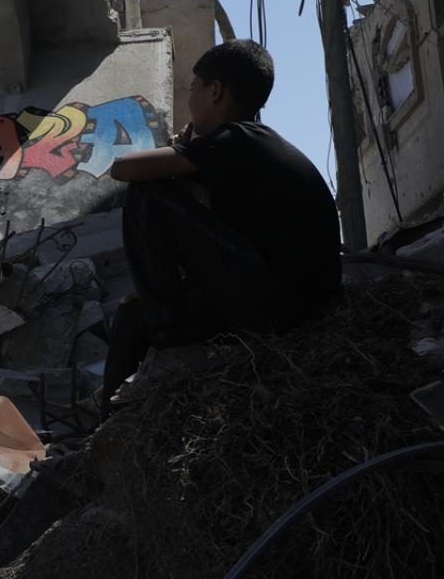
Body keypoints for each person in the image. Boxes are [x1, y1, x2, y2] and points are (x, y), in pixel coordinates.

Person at [100, 40, 341, 416]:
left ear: (215, 91)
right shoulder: (249, 148)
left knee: (148, 192)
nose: (189, 99)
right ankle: (107, 429)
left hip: (278, 305)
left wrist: (175, 151)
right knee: (132, 318)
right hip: (280, 303)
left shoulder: (238, 139)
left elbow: (124, 169)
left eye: (192, 87)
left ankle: (170, 337)